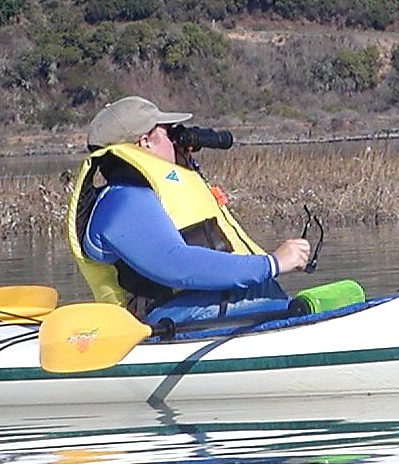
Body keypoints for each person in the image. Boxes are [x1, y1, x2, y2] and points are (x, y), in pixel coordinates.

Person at [65, 96, 311, 324]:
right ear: (146, 142)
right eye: (168, 133)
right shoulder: (122, 201)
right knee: (265, 295)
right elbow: (174, 264)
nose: (176, 140)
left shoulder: (144, 192)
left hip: (189, 309)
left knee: (283, 296)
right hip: (156, 324)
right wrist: (271, 264)